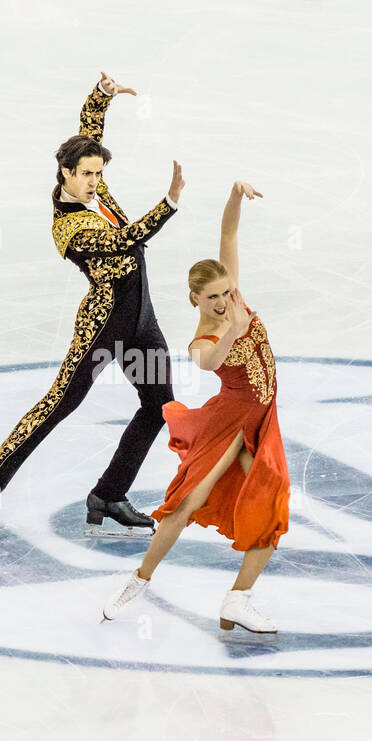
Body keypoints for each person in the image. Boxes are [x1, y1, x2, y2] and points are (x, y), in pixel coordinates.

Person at [0, 72, 184, 533]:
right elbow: (126, 239)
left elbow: (90, 130)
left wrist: (101, 95)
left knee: (159, 406)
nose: (95, 183)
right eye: (86, 174)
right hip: (103, 327)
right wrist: (169, 202)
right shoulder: (68, 227)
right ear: (66, 173)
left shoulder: (95, 184)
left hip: (141, 319)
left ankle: (108, 495)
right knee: (59, 404)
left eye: (99, 173)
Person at [101, 181, 289, 633]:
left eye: (226, 293)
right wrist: (232, 327)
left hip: (263, 419)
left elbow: (228, 235)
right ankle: (138, 581)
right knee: (185, 504)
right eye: (212, 298)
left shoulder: (233, 296)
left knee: (273, 503)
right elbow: (212, 360)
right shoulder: (202, 339)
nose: (224, 302)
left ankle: (237, 599)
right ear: (195, 300)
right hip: (230, 420)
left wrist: (235, 197)